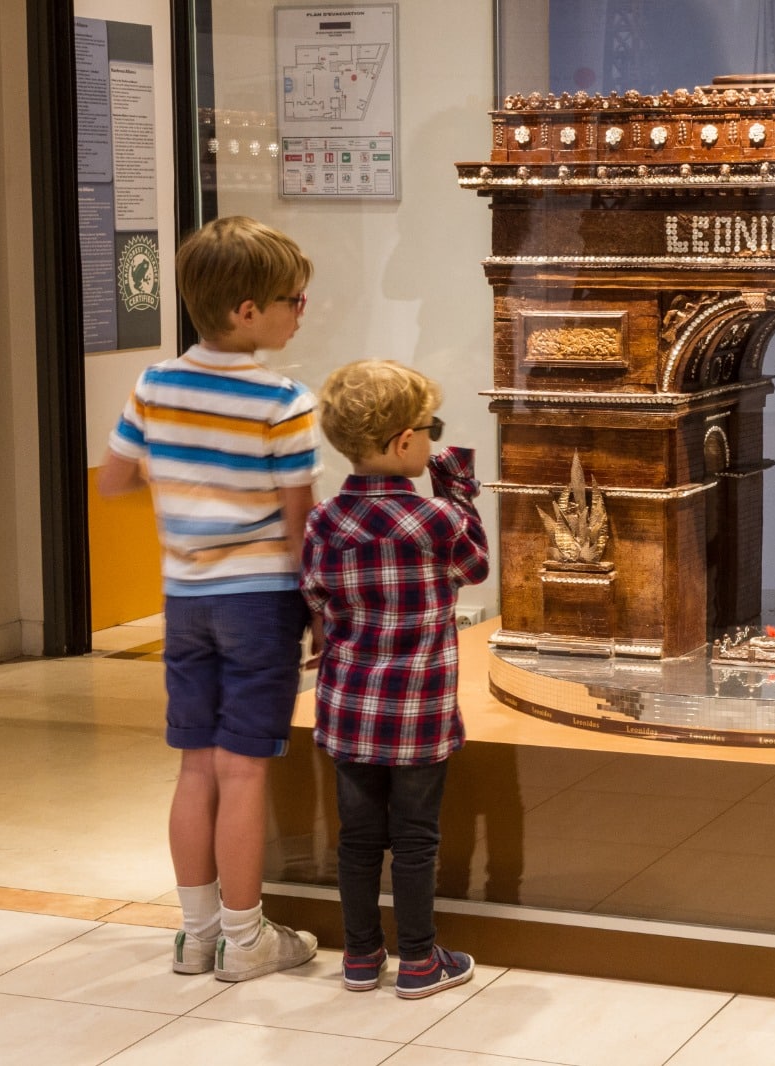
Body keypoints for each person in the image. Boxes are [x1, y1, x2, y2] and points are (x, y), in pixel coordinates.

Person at [99, 216, 321, 982]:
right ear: (247, 312)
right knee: (245, 770)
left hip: (184, 601)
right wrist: (321, 608)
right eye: (295, 298)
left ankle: (196, 936)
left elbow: (112, 480)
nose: (303, 311)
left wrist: (185, 488)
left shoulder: (154, 384)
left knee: (195, 765)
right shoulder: (285, 401)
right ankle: (247, 936)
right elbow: (300, 528)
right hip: (259, 603)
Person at [302, 359, 490, 999]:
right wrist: (457, 489)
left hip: (349, 708)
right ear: (407, 442)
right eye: (430, 428)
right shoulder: (436, 521)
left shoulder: (325, 520)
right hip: (419, 710)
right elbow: (477, 566)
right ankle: (418, 961)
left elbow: (316, 593)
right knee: (415, 840)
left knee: (357, 841)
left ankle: (359, 957)